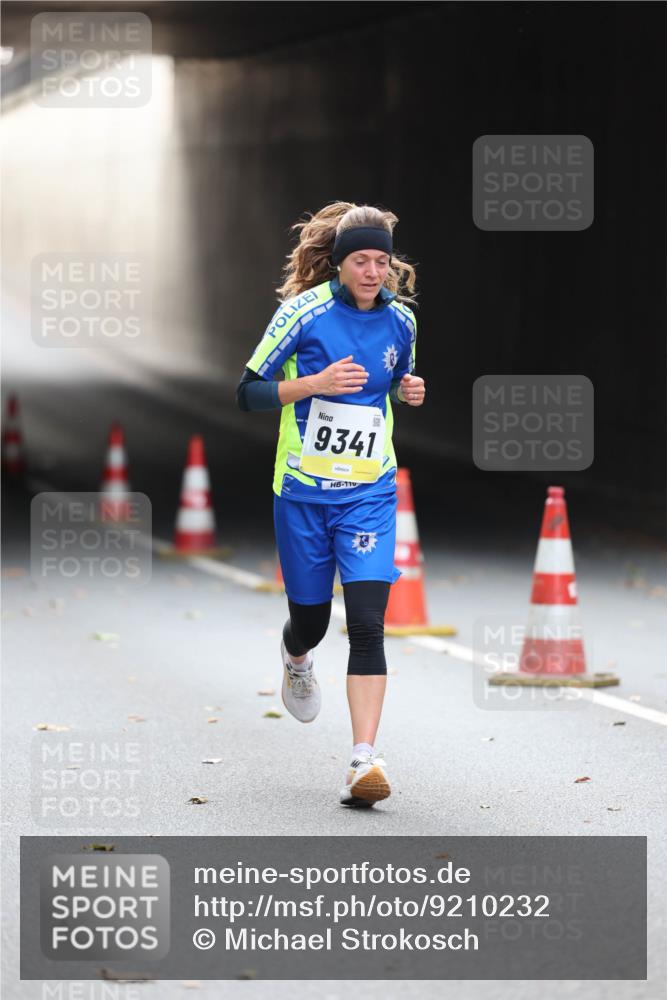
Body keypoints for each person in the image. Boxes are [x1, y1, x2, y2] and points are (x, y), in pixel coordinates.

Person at [236, 202, 425, 806]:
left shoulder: (403, 322)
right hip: (303, 494)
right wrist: (314, 385)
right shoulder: (301, 313)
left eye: (382, 261)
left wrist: (408, 387)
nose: (373, 271)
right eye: (361, 260)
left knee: (369, 624)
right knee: (314, 621)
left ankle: (362, 761)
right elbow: (247, 394)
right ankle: (296, 655)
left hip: (369, 491)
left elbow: (395, 376)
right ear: (340, 264)